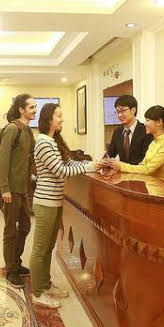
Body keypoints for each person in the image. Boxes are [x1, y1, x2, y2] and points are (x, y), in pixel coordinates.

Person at [30, 103, 95, 308]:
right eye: (59, 116)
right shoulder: (43, 142)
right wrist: (90, 166)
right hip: (45, 203)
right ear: (49, 119)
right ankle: (37, 292)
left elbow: (68, 163)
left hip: (55, 202)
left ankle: (45, 284)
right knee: (40, 249)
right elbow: (61, 171)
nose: (62, 119)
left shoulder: (52, 141)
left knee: (48, 247)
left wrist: (93, 165)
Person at [0, 94, 37, 288]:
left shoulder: (28, 131)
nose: (35, 110)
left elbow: (32, 157)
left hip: (23, 189)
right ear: (21, 109)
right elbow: (2, 159)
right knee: (11, 230)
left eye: (35, 107)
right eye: (31, 107)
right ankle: (11, 269)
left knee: (26, 226)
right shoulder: (13, 129)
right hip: (11, 190)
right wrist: (4, 188)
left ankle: (16, 262)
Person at [101, 105, 164, 179]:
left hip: (160, 186)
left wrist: (121, 166)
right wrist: (117, 169)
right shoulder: (154, 142)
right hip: (147, 183)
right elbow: (142, 166)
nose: (145, 123)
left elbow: (148, 169)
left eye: (148, 120)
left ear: (159, 122)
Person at [106, 95, 153, 165]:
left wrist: (121, 166)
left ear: (133, 110)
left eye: (122, 111)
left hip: (140, 171)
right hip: (121, 171)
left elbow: (145, 159)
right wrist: (103, 162)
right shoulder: (117, 132)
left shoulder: (146, 130)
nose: (119, 115)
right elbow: (110, 154)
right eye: (117, 112)